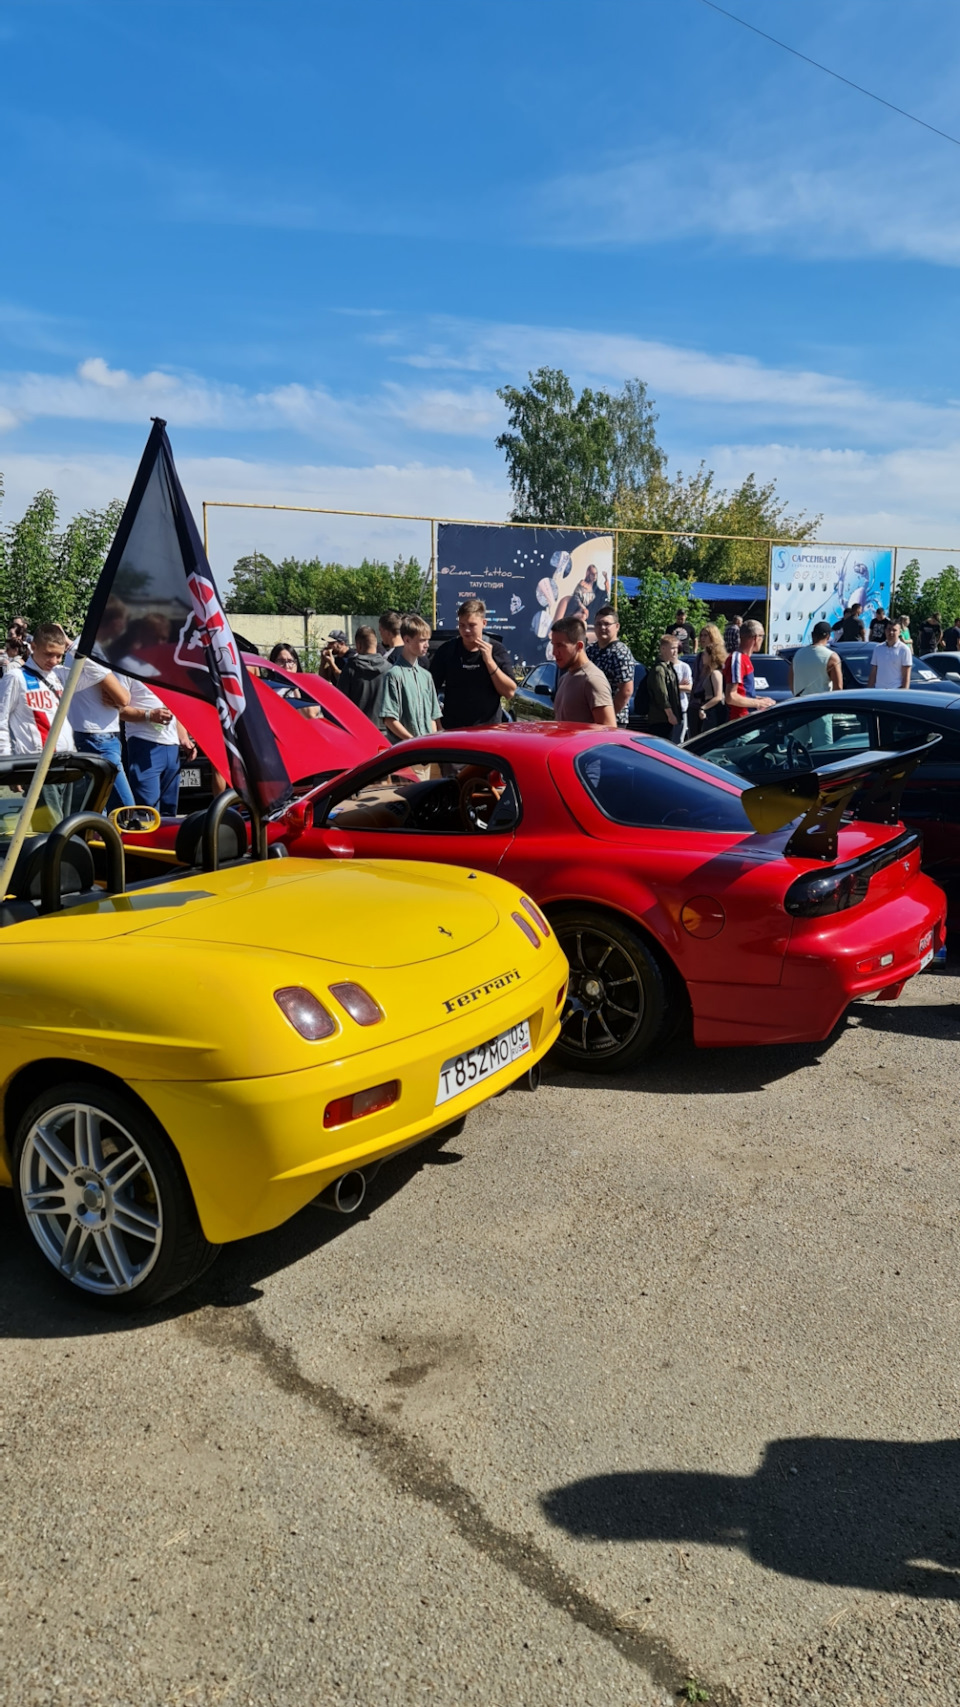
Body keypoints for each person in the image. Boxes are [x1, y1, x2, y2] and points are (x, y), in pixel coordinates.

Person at [429, 598, 517, 729]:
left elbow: (510, 692)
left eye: (472, 625)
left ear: (484, 623)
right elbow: (429, 689)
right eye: (462, 625)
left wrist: (489, 661)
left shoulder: (496, 650)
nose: (466, 630)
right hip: (453, 730)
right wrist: (437, 722)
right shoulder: (447, 650)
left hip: (488, 731)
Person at [65, 643, 135, 810]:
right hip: (97, 736)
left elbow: (122, 696)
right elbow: (123, 699)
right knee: (125, 808)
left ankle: (98, 835)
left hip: (99, 734)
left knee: (99, 804)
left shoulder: (89, 646)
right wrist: (120, 694)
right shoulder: (88, 646)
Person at [0, 622, 75, 756]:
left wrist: (70, 644)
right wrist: (5, 761)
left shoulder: (60, 674)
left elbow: (97, 673)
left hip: (65, 761)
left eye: (59, 656)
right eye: (48, 654)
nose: (53, 661)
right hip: (31, 763)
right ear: (33, 646)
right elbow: (1, 720)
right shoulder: (15, 677)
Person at [121, 680, 196, 814]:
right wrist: (149, 715)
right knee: (148, 812)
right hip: (143, 743)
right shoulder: (125, 667)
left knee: (169, 812)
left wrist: (184, 738)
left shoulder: (165, 667)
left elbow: (175, 709)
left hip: (172, 747)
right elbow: (119, 710)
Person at [381, 615, 442, 742]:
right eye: (422, 640)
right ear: (407, 640)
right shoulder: (394, 675)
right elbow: (389, 719)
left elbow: (433, 717)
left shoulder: (426, 676)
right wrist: (413, 741)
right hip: (407, 752)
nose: (427, 645)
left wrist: (432, 741)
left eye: (428, 640)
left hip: (427, 750)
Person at [550, 617, 616, 726]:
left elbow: (609, 730)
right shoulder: (564, 678)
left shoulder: (592, 680)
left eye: (560, 646)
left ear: (579, 646)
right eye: (553, 645)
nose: (554, 652)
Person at [585, 605, 635, 726]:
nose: (602, 627)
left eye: (607, 624)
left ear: (617, 626)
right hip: (591, 719)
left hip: (613, 722)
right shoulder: (591, 650)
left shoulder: (620, 653)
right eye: (598, 624)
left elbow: (626, 690)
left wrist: (608, 716)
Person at [336, 625, 390, 723]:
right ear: (375, 644)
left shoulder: (350, 668)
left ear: (358, 645)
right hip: (384, 729)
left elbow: (340, 702)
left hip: (358, 728)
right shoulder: (389, 668)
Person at [723, 620, 776, 720]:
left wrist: (762, 700)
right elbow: (731, 696)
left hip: (749, 718)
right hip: (739, 721)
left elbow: (744, 693)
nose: (762, 639)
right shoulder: (737, 659)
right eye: (762, 636)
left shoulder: (745, 658)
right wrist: (758, 703)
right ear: (756, 638)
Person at [788, 621, 843, 697]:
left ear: (812, 635)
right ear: (828, 636)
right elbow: (838, 688)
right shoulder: (832, 657)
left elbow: (791, 681)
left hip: (800, 703)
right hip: (821, 704)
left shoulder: (798, 654)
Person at [646, 634, 683, 741]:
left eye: (676, 648)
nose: (675, 651)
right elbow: (661, 695)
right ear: (663, 649)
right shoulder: (659, 670)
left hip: (667, 719)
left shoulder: (669, 667)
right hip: (660, 719)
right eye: (672, 648)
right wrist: (670, 715)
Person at [691, 625, 727, 732]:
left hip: (711, 707)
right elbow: (695, 680)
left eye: (705, 635)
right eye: (701, 635)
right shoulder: (699, 658)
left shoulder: (717, 671)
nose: (702, 638)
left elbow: (718, 695)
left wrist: (704, 707)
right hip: (697, 703)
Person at [868, 620, 911, 691]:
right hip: (878, 690)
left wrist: (904, 694)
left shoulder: (904, 650)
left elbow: (906, 675)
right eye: (889, 629)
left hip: (895, 691)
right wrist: (868, 691)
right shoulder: (878, 648)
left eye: (894, 630)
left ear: (899, 632)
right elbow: (873, 672)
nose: (891, 632)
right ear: (885, 631)